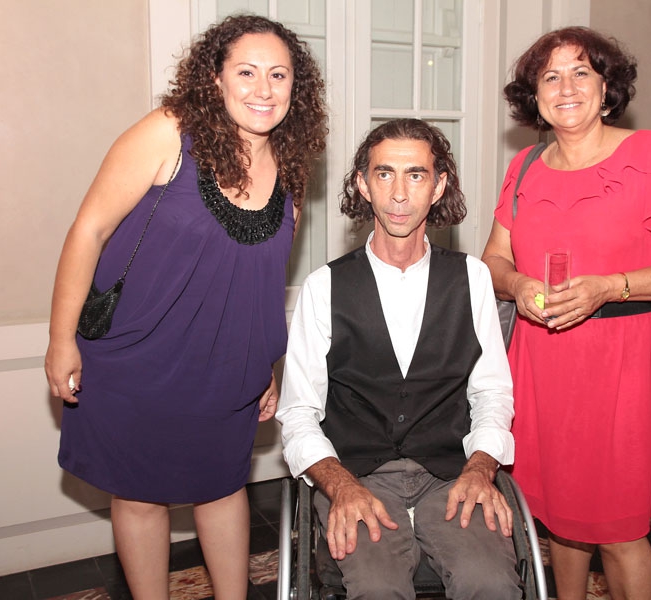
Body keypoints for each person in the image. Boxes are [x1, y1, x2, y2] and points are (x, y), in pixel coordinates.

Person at [43, 15, 326, 599]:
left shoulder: (291, 167)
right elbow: (89, 230)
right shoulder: (169, 132)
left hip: (226, 368)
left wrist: (266, 364)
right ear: (215, 79)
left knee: (222, 488)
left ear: (295, 87)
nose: (264, 88)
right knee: (138, 496)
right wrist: (60, 338)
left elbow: (263, 279)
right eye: (246, 72)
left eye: (279, 75)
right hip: (136, 360)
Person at [481, 27, 651, 600]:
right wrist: (519, 284)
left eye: (581, 73)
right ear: (534, 95)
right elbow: (493, 260)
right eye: (550, 77)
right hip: (542, 360)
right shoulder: (525, 167)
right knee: (561, 517)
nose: (566, 88)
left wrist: (609, 287)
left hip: (623, 362)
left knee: (618, 528)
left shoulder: (649, 154)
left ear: (607, 87)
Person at [276, 119, 522, 600]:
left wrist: (481, 467)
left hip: (450, 474)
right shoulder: (324, 287)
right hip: (358, 476)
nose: (400, 194)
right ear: (363, 184)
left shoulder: (472, 278)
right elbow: (299, 412)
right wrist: (340, 486)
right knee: (376, 589)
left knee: (490, 583)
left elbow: (492, 392)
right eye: (384, 174)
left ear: (439, 186)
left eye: (416, 175)